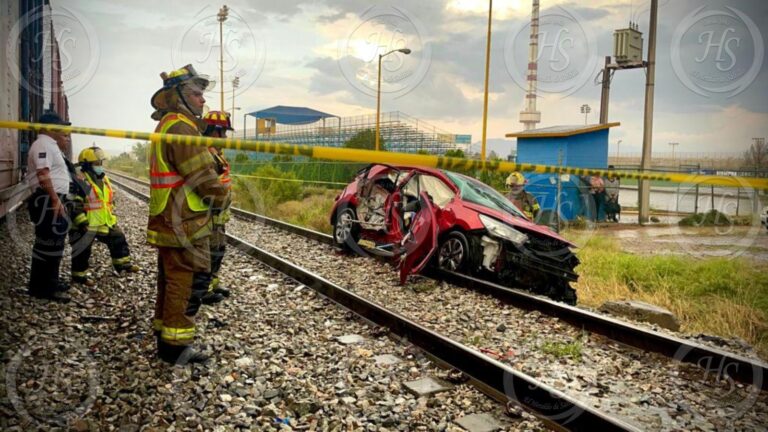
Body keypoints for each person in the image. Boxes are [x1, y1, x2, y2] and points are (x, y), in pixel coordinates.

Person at [148, 64, 229, 365]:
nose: (202, 101)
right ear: (178, 96)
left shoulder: (168, 125)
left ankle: (164, 334)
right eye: (196, 94)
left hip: (171, 217)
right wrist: (222, 198)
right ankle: (175, 348)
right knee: (186, 280)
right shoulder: (181, 128)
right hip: (185, 221)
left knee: (171, 279)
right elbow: (202, 177)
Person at [68, 146, 140, 286]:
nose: (100, 166)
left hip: (102, 221)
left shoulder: (103, 179)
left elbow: (106, 200)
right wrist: (82, 223)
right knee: (82, 250)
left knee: (118, 237)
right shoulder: (80, 181)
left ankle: (123, 265)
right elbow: (73, 205)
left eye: (101, 163)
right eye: (96, 164)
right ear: (86, 165)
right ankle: (79, 276)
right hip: (84, 225)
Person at [25, 111, 73, 303]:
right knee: (49, 244)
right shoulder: (43, 144)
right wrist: (54, 199)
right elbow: (43, 173)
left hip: (51, 199)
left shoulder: (49, 145)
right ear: (47, 127)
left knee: (54, 243)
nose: (62, 129)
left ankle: (47, 283)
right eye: (58, 126)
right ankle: (45, 288)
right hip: (46, 199)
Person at [200, 110, 233, 304]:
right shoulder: (206, 154)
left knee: (219, 249)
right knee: (209, 251)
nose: (226, 137)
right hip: (210, 214)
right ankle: (203, 290)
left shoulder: (216, 154)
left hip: (219, 215)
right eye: (224, 132)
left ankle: (212, 284)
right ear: (215, 132)